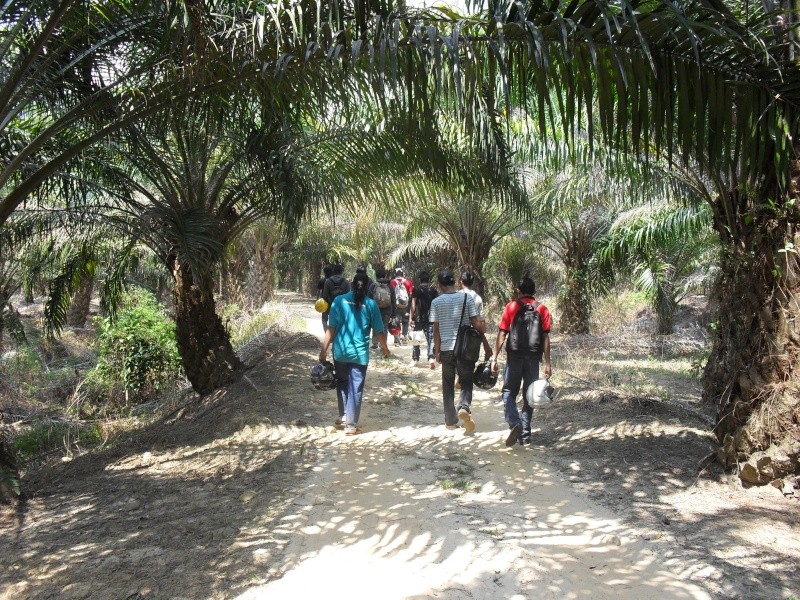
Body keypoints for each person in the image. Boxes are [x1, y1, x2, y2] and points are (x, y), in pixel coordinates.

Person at [319, 272, 390, 435]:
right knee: (355, 387)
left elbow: (332, 328)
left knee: (343, 383)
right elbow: (379, 331)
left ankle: (343, 415)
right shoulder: (371, 305)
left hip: (341, 352)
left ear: (351, 285)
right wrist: (385, 349)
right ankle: (351, 425)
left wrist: (323, 350)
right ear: (368, 288)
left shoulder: (338, 301)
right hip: (359, 354)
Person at [490, 275, 552, 446]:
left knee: (509, 391)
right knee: (529, 395)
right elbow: (546, 338)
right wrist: (547, 363)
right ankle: (525, 434)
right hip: (533, 358)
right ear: (534, 292)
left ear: (518, 291)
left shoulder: (511, 307)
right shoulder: (543, 309)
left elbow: (502, 333)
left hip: (514, 357)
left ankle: (514, 422)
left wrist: (494, 357)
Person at [430, 269, 485, 432]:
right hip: (464, 348)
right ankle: (464, 406)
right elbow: (475, 322)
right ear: (455, 282)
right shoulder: (467, 298)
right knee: (466, 379)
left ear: (440, 285)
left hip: (446, 349)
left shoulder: (436, 302)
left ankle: (450, 420)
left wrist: (437, 351)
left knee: (447, 383)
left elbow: (436, 329)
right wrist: (485, 342)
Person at [458, 270, 493, 362]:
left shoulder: (456, 296)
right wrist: (483, 334)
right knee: (468, 363)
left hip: (457, 334)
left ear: (461, 281)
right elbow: (480, 321)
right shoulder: (477, 298)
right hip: (472, 336)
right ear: (472, 283)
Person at [408, 270, 438, 367]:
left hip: (418, 318)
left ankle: (415, 359)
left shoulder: (416, 290)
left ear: (420, 280)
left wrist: (410, 318)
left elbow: (413, 304)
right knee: (431, 338)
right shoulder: (433, 290)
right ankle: (431, 358)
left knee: (416, 337)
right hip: (431, 318)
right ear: (428, 280)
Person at [368, 267, 396, 349]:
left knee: (375, 325)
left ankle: (375, 343)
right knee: (385, 326)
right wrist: (393, 314)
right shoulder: (390, 286)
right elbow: (393, 301)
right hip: (387, 310)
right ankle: (383, 344)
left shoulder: (373, 286)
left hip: (375, 309)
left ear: (376, 276)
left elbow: (369, 299)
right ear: (385, 275)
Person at [322, 264, 350, 332]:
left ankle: (328, 334)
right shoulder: (346, 282)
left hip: (330, 306)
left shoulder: (328, 281)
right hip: (342, 307)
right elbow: (349, 296)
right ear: (342, 272)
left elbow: (325, 296)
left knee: (324, 319)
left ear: (333, 271)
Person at [391, 268, 414, 344]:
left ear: (395, 274)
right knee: (405, 321)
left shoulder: (392, 282)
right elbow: (410, 295)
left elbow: (390, 295)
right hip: (405, 305)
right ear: (402, 274)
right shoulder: (408, 282)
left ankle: (397, 339)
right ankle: (404, 337)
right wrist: (408, 307)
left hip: (396, 305)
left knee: (396, 321)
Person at [317, 264, 334, 331]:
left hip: (324, 302)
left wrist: (317, 300)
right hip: (333, 302)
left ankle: (326, 333)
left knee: (324, 320)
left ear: (324, 272)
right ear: (332, 271)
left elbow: (318, 291)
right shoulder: (334, 281)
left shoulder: (322, 280)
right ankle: (332, 334)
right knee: (332, 320)